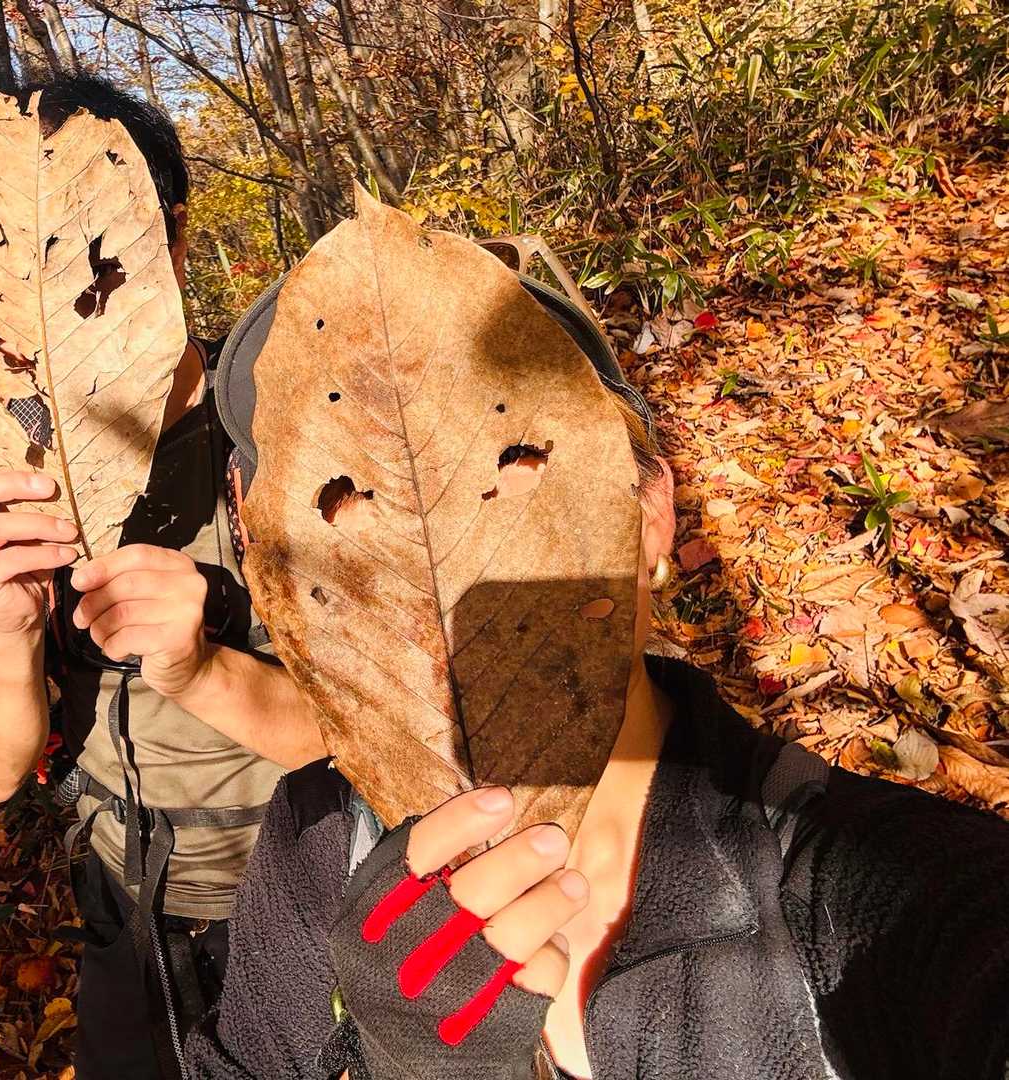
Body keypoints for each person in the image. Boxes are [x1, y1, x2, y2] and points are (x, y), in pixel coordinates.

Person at [183, 264, 1009, 1080]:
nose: (425, 548)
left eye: (503, 454)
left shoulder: (886, 888)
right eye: (342, 497)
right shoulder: (319, 839)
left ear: (650, 516)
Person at [0, 75, 326, 1080]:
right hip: (132, 914)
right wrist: (8, 626)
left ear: (167, 237)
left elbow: (392, 731)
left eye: (81, 245)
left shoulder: (292, 424)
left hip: (330, 892)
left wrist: (203, 670)